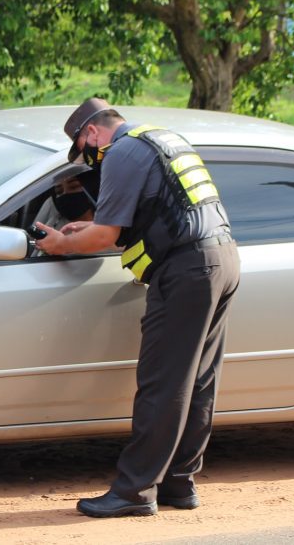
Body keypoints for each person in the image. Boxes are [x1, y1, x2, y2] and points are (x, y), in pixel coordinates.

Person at [34, 97, 241, 518]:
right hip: (221, 259)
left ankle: (134, 491)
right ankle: (179, 483)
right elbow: (153, 210)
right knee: (197, 380)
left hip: (186, 270)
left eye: (83, 147)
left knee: (161, 383)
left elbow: (105, 237)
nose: (87, 158)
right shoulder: (161, 138)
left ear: (92, 132)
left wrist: (63, 243)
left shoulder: (122, 152)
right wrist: (86, 228)